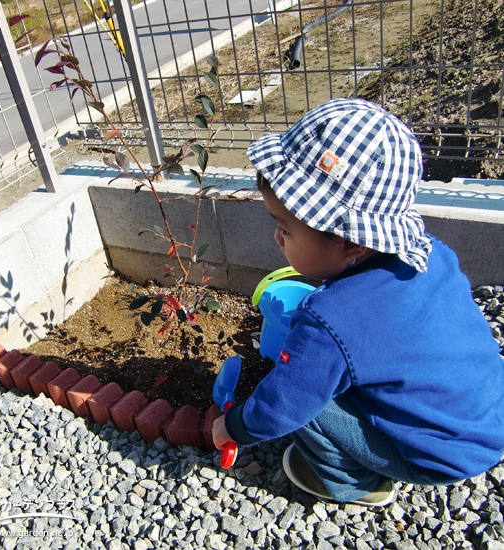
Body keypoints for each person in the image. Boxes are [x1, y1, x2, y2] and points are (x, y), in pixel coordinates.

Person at [212, 98, 504, 506]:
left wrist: (234, 426)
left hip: (434, 457)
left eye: (285, 229)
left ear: (351, 241)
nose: (276, 239)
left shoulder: (332, 321)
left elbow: (283, 405)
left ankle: (355, 484)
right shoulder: (432, 254)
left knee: (304, 397)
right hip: (486, 418)